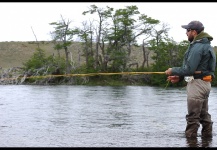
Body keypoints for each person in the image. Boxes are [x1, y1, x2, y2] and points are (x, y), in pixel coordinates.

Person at [165, 20, 216, 138]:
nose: (186, 33)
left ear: (193, 32)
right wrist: (179, 77)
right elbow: (197, 69)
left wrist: (173, 70)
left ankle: (190, 141)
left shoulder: (198, 47)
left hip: (197, 86)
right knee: (204, 116)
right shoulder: (205, 45)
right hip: (205, 84)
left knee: (193, 117)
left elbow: (190, 69)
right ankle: (207, 141)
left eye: (187, 31)